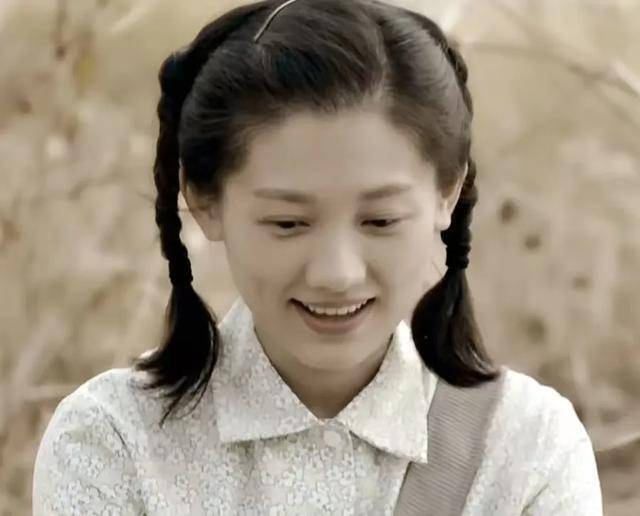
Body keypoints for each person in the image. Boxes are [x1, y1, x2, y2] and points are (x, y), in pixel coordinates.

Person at [32, 0, 603, 514]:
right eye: (288, 223)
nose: (337, 274)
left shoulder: (526, 448)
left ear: (446, 198)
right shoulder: (113, 443)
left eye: (380, 221)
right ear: (205, 202)